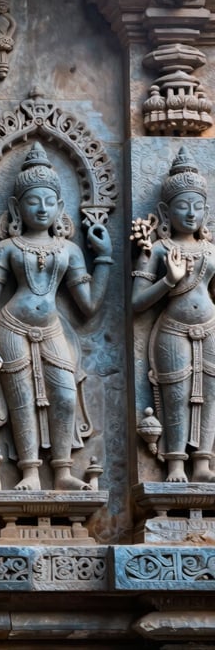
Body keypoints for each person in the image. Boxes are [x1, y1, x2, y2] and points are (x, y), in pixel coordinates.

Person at [0, 142, 113, 491]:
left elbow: (89, 305)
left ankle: (63, 471)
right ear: (17, 207)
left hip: (52, 328)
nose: (42, 208)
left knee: (65, 398)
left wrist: (106, 258)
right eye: (34, 201)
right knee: (21, 399)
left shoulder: (69, 249)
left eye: (50, 201)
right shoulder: (5, 248)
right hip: (10, 328)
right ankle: (30, 472)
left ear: (60, 207)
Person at [132, 147, 215, 483]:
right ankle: (177, 462)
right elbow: (137, 302)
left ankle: (203, 463)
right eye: (183, 206)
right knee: (176, 394)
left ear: (206, 211)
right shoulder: (158, 249)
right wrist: (169, 280)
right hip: (173, 329)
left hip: (210, 327)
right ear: (166, 210)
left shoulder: (210, 250)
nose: (191, 213)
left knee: (211, 393)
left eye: (197, 206)